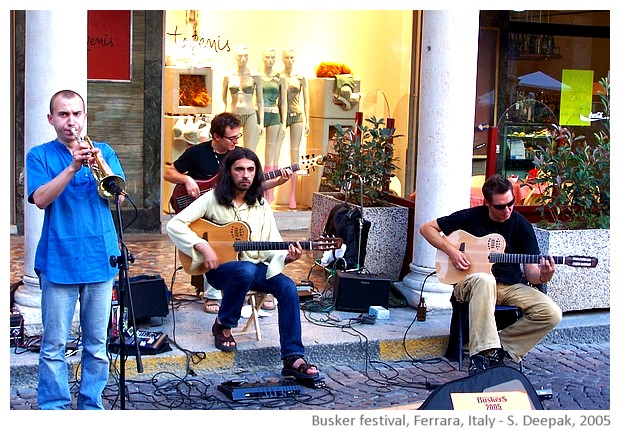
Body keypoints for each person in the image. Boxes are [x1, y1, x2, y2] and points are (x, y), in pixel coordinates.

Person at [166, 147, 320, 380]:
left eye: (250, 169)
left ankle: (293, 356)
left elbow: (273, 244)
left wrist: (286, 257)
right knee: (244, 270)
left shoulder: (261, 205)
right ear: (229, 172)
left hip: (255, 268)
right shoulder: (212, 199)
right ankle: (223, 325)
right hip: (221, 270)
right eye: (239, 169)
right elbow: (175, 225)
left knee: (287, 286)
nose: (245, 174)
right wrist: (202, 245)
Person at [26, 89, 126, 409]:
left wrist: (97, 165)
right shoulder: (39, 155)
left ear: (85, 116)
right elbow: (40, 199)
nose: (71, 121)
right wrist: (71, 167)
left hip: (100, 256)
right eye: (64, 115)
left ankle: (90, 406)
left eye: (77, 114)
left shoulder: (103, 150)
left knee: (97, 345)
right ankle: (54, 409)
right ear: (51, 119)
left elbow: (118, 197)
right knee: (54, 345)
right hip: (59, 258)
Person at [419, 174, 562, 375]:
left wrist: (545, 276)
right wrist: (452, 251)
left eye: (511, 203)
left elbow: (531, 274)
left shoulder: (521, 225)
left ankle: (501, 349)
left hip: (509, 286)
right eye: (500, 206)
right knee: (485, 279)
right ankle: (479, 355)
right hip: (470, 282)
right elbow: (427, 229)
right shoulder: (470, 217)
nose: (507, 210)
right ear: (487, 203)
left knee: (551, 312)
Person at [164, 112, 288, 313]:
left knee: (231, 241)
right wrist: (187, 180)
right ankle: (212, 296)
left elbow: (251, 184)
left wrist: (277, 182)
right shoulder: (197, 152)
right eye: (231, 137)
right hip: (204, 207)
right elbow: (169, 172)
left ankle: (252, 288)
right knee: (214, 243)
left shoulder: (239, 156)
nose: (235, 141)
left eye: (238, 136)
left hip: (230, 207)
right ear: (216, 136)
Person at [280, 48, 310, 209]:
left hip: (297, 115)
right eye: (286, 58)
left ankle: (293, 195)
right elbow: (281, 101)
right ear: (282, 59)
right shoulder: (280, 76)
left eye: (292, 58)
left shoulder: (300, 77)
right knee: (275, 152)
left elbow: (306, 101)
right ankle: (272, 192)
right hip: (283, 116)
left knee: (295, 153)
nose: (289, 61)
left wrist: (307, 120)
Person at [222, 45, 264, 152]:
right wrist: (223, 116)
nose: (243, 59)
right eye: (240, 56)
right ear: (235, 57)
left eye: (246, 56)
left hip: (250, 114)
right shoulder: (228, 75)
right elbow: (223, 98)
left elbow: (260, 100)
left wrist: (262, 122)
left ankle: (249, 168)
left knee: (249, 150)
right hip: (233, 114)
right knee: (230, 149)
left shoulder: (254, 75)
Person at [261, 48, 288, 203]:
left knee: (270, 154)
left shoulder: (280, 78)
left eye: (272, 57)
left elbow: (283, 102)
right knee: (251, 153)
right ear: (262, 58)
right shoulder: (257, 76)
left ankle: (269, 195)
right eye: (267, 57)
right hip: (260, 114)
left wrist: (284, 123)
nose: (269, 60)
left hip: (274, 114)